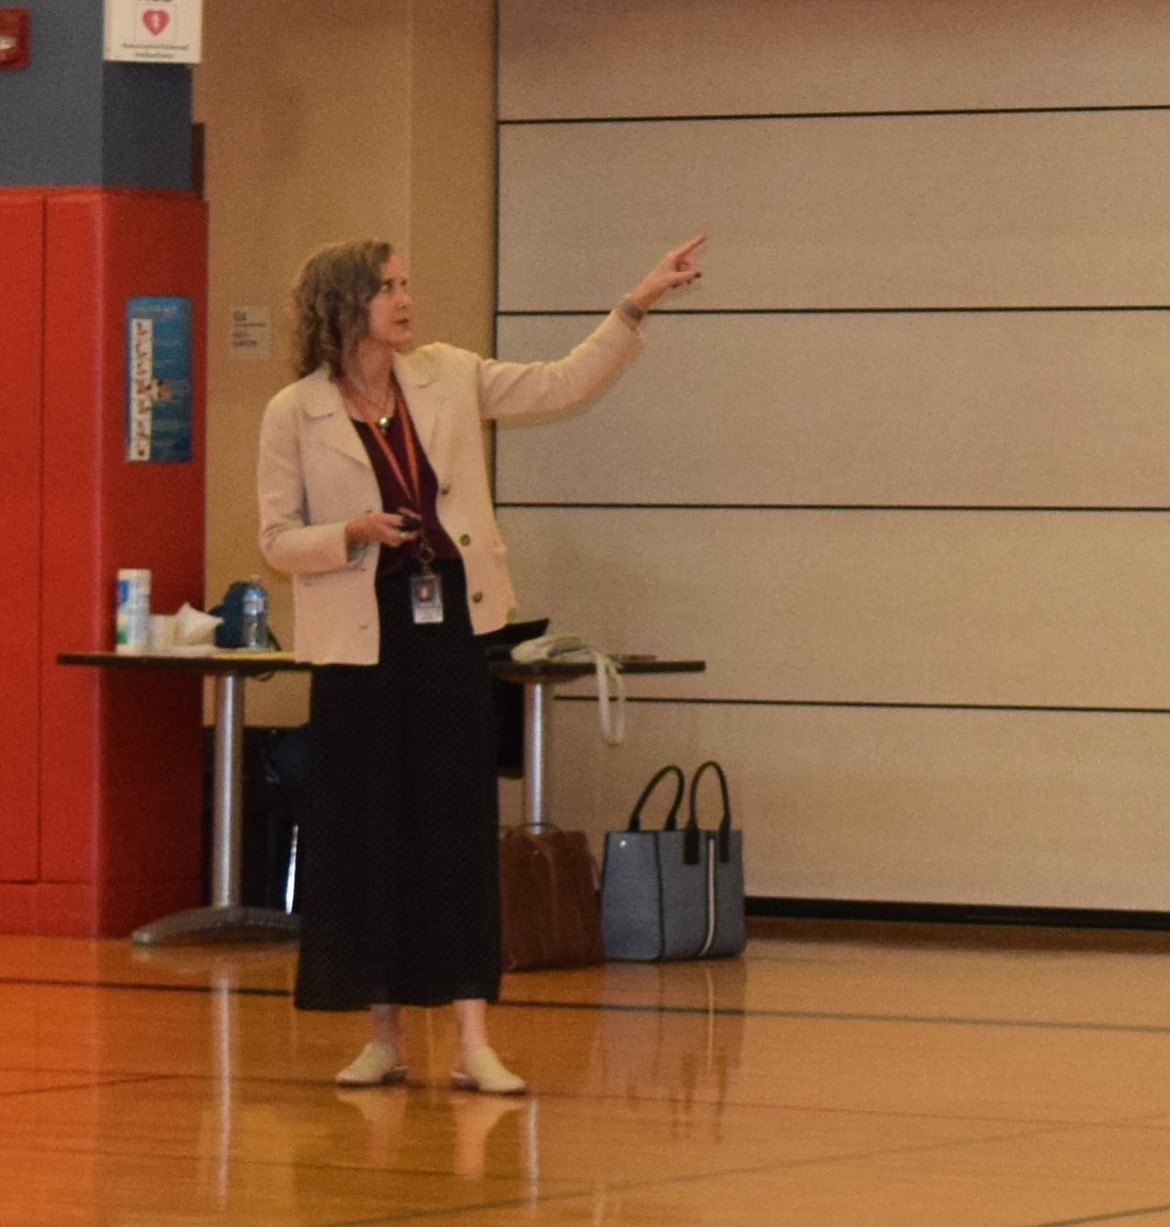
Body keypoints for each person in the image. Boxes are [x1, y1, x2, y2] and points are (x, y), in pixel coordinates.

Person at [257, 233, 706, 1095]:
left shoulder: (448, 374)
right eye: (388, 287)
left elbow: (562, 381)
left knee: (456, 827)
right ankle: (381, 1035)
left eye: (406, 283)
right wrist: (349, 533)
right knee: (368, 834)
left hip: (446, 624)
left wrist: (636, 301)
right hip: (358, 637)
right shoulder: (295, 411)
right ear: (345, 305)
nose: (405, 298)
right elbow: (276, 539)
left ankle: (472, 1040)